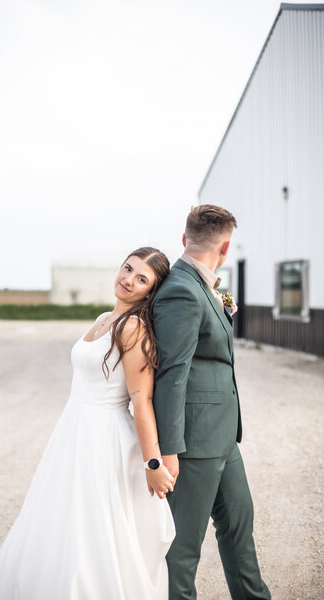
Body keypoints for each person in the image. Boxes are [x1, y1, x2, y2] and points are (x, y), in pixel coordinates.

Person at [0, 246, 176, 600]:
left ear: (151, 291)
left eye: (141, 278)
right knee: (60, 521)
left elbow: (141, 400)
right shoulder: (103, 318)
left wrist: (153, 462)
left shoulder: (134, 329)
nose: (128, 279)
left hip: (104, 438)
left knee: (92, 528)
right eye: (127, 268)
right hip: (73, 431)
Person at [152, 205, 271, 600]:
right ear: (226, 248)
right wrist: (169, 451)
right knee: (183, 548)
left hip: (222, 438)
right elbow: (171, 375)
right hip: (192, 443)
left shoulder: (205, 286)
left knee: (239, 527)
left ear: (186, 240)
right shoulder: (181, 291)